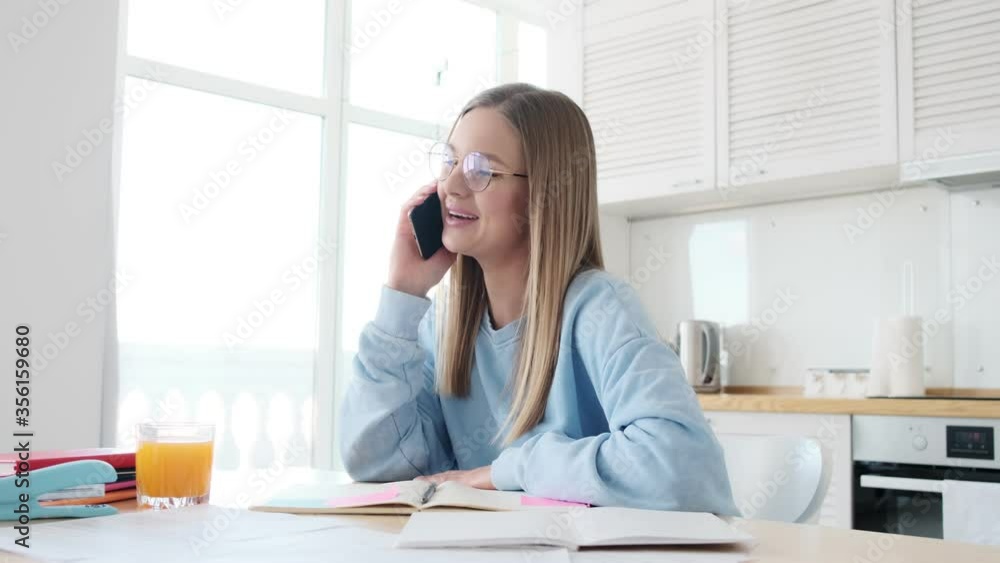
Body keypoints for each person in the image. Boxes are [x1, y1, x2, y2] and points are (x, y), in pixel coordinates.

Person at [338, 83, 737, 514]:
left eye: (481, 170)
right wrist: (402, 295)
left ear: (542, 196)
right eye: (450, 161)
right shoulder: (446, 327)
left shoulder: (601, 309)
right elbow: (378, 465)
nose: (450, 185)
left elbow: (681, 468)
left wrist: (507, 470)